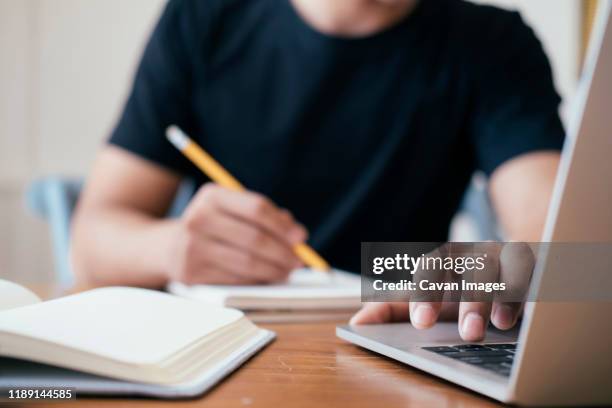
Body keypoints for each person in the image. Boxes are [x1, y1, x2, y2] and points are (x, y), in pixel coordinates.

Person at [71, 0, 564, 341]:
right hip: (221, 343)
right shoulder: (204, 18)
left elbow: (558, 243)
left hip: (395, 338)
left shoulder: (494, 44)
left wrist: (506, 270)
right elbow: (91, 241)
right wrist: (173, 247)